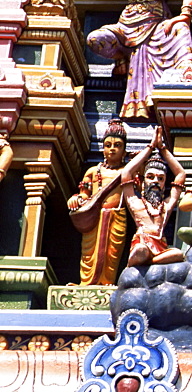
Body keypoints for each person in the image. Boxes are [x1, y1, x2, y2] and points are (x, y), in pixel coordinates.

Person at [67, 118, 128, 286]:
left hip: (117, 216)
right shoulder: (94, 171)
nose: (112, 149)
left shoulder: (127, 172)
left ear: (124, 151)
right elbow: (84, 194)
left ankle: (107, 282)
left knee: (111, 252)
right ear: (102, 149)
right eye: (108, 145)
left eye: (117, 145)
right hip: (94, 216)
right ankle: (85, 283)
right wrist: (76, 199)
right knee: (89, 251)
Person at [122, 127, 186, 268]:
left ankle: (150, 263)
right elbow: (126, 172)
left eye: (161, 178)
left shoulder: (166, 206)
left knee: (177, 253)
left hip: (160, 249)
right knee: (141, 250)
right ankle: (143, 261)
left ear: (164, 184)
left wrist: (162, 148)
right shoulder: (136, 203)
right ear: (143, 180)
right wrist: (151, 147)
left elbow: (181, 174)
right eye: (150, 177)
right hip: (142, 245)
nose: (156, 181)